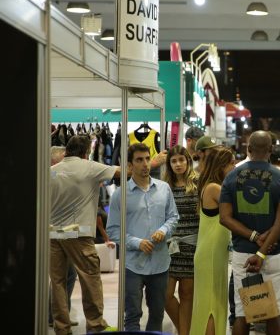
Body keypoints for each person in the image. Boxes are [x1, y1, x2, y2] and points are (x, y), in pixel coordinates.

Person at [219, 131, 280, 335]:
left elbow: (224, 217)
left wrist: (252, 237)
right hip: (272, 253)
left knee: (243, 314)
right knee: (274, 313)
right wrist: (262, 251)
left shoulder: (231, 177)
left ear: (248, 149)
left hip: (243, 255)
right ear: (271, 150)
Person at [50, 136, 120, 334]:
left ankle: (61, 328)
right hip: (78, 234)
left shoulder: (51, 171)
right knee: (90, 278)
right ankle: (96, 325)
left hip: (53, 234)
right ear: (86, 151)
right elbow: (121, 172)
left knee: (57, 283)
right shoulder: (89, 166)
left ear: (67, 151)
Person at [107, 143, 179, 331]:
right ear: (130, 165)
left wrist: (163, 230)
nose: (146, 164)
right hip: (133, 265)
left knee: (157, 314)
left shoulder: (164, 189)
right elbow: (113, 230)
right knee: (132, 315)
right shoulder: (120, 195)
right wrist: (137, 243)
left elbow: (173, 217)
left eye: (147, 158)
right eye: (139, 160)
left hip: (160, 263)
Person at [190, 147, 235, 335]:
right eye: (232, 163)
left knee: (215, 302)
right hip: (210, 254)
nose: (235, 166)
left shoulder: (212, 186)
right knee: (210, 305)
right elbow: (237, 207)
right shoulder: (214, 188)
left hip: (214, 253)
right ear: (222, 165)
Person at [163, 146, 199, 335]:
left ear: (188, 161)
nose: (178, 164)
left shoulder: (198, 183)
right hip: (169, 248)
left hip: (192, 246)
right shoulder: (163, 186)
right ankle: (188, 331)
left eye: (181, 160)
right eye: (174, 161)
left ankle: (184, 333)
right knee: (165, 295)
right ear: (169, 164)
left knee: (186, 294)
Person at [48, 146, 78, 329]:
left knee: (65, 275)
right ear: (55, 160)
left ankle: (59, 315)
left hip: (66, 229)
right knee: (62, 276)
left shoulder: (57, 176)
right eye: (64, 158)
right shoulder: (53, 175)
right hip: (60, 230)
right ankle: (58, 316)